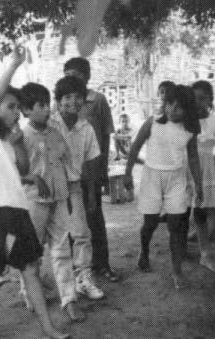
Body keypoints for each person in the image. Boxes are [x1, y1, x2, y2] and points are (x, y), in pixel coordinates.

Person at [0, 46, 70, 339]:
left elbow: (21, 169)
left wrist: (20, 145)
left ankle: (48, 328)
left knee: (31, 270)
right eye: (10, 106)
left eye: (15, 107)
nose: (14, 111)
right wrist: (13, 65)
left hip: (17, 211)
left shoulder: (10, 139)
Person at [124, 85, 203, 289]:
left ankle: (176, 270)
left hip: (176, 178)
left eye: (178, 107)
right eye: (169, 104)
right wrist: (127, 173)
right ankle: (144, 250)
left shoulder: (190, 130)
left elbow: (193, 158)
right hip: (151, 177)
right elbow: (135, 147)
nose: (171, 109)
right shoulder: (153, 123)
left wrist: (199, 185)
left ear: (188, 110)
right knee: (149, 223)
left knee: (176, 226)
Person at [19, 82, 86, 322]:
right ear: (26, 110)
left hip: (58, 200)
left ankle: (68, 299)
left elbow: (67, 167)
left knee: (62, 250)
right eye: (40, 105)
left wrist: (67, 196)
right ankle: (29, 292)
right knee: (33, 251)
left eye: (48, 104)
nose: (47, 109)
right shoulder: (21, 137)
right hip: (34, 203)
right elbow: (15, 172)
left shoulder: (56, 134)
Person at [49, 75, 106, 298]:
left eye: (78, 97)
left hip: (74, 187)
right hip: (49, 189)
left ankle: (83, 278)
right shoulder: (50, 125)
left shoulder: (86, 128)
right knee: (49, 238)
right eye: (67, 97)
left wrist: (91, 193)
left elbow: (91, 164)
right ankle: (36, 284)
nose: (73, 102)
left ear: (84, 100)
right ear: (58, 100)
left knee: (82, 233)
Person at [63, 57, 118, 282]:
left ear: (87, 77)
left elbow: (105, 135)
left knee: (95, 218)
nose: (71, 80)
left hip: (91, 171)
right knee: (70, 223)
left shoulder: (98, 100)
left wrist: (103, 168)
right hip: (68, 175)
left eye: (75, 75)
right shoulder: (63, 101)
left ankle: (102, 265)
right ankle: (75, 270)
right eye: (67, 75)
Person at [191, 80, 215, 272]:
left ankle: (201, 237)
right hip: (189, 169)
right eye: (194, 98)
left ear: (210, 100)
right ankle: (204, 252)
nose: (198, 102)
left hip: (209, 170)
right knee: (197, 211)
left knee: (214, 209)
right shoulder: (187, 120)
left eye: (202, 98)